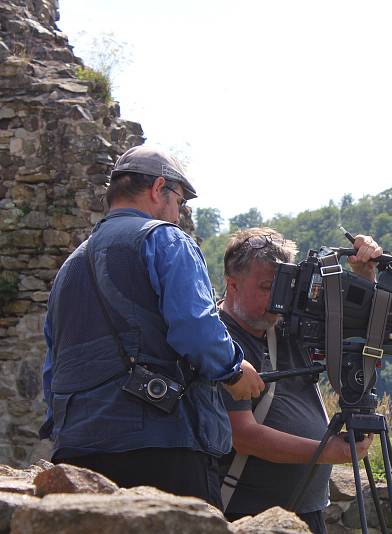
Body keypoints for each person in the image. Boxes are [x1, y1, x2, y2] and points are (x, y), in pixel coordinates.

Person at [40, 145, 264, 508]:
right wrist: (235, 370)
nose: (178, 214)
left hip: (78, 452)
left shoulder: (69, 267)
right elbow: (196, 329)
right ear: (159, 188)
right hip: (163, 448)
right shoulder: (166, 240)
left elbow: (53, 369)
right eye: (179, 202)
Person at [217, 227, 379, 533]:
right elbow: (243, 435)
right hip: (247, 515)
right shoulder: (218, 344)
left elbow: (357, 324)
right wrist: (328, 451)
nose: (277, 299)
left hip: (308, 510)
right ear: (232, 285)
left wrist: (363, 272)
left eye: (284, 286)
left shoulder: (285, 323)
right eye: (266, 287)